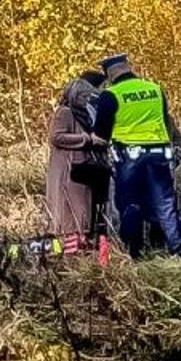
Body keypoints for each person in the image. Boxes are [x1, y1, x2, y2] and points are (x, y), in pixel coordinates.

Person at [92, 53, 181, 258]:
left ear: (109, 74)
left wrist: (93, 139)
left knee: (130, 204)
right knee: (165, 202)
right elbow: (166, 121)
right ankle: (179, 249)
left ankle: (134, 252)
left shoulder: (110, 95)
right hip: (159, 155)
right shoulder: (155, 89)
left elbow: (101, 135)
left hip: (129, 158)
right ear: (128, 67)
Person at [45, 71, 112, 247]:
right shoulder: (64, 112)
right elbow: (56, 137)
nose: (87, 99)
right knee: (71, 218)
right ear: (75, 95)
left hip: (81, 171)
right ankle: (69, 256)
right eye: (84, 96)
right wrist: (88, 139)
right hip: (68, 172)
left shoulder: (82, 113)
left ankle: (79, 251)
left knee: (82, 216)